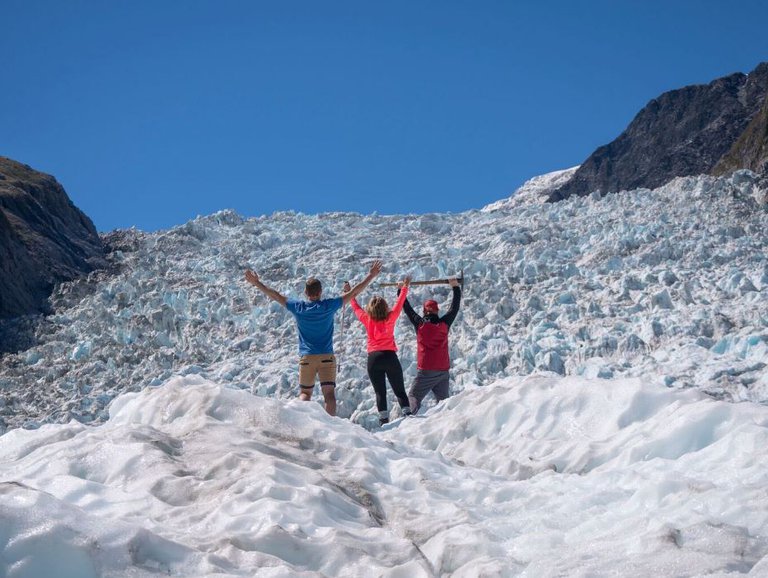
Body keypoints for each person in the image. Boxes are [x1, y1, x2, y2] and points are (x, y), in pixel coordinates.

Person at [244, 260, 382, 416]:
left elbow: (275, 295)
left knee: (305, 394)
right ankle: (331, 427)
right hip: (327, 357)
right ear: (320, 292)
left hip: (307, 357)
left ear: (305, 293)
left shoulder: (299, 307)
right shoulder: (329, 306)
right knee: (329, 395)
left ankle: (301, 423)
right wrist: (370, 276)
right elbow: (354, 292)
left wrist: (257, 283)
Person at [344, 277, 412, 425]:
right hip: (389, 357)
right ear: (385, 307)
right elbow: (399, 303)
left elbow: (355, 307)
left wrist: (350, 292)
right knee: (399, 389)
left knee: (380, 392)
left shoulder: (366, 318)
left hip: (373, 359)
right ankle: (408, 415)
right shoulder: (391, 317)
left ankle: (383, 420)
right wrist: (404, 287)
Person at [402, 277, 462, 414]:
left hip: (426, 371)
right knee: (444, 403)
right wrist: (455, 287)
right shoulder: (444, 324)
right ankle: (447, 423)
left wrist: (401, 291)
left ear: (424, 311)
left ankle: (408, 420)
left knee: (413, 397)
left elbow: (407, 309)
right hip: (442, 371)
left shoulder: (420, 324)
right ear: (437, 311)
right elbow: (454, 308)